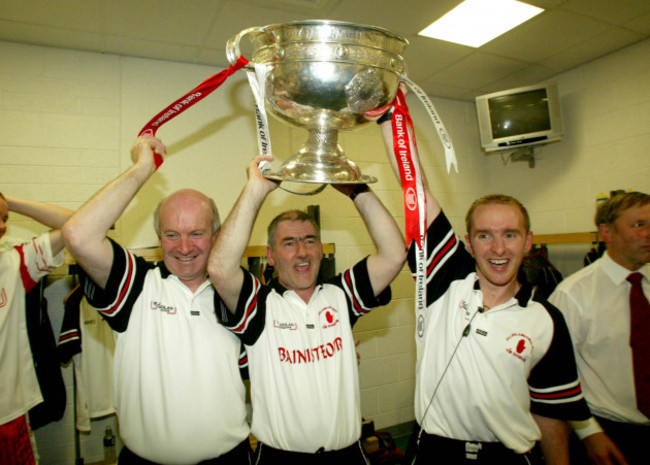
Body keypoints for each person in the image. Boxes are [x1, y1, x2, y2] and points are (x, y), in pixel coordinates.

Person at [378, 89, 595, 464]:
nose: (498, 248)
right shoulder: (445, 280)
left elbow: (551, 414)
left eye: (509, 235)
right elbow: (416, 189)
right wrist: (386, 116)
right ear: (468, 243)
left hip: (510, 456)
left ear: (528, 242)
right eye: (485, 236)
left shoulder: (546, 318)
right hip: (434, 453)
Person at [61, 135, 251, 465]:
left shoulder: (237, 293)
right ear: (159, 238)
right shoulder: (136, 286)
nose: (184, 247)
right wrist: (142, 168)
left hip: (230, 459)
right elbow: (78, 235)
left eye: (197, 233)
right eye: (171, 234)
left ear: (217, 235)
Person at [207, 154, 406, 464]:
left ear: (321, 248)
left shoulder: (342, 295)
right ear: (271, 256)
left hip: (349, 455)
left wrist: (358, 191)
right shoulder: (258, 304)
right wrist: (255, 189)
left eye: (310, 240)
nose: (302, 252)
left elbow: (394, 255)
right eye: (289, 243)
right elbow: (219, 268)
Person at [549, 191, 650, 465]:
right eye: (639, 225)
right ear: (606, 232)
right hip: (610, 434)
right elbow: (553, 373)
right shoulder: (573, 295)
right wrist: (588, 432)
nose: (649, 233)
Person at [0, 194, 73, 465]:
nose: (2, 226)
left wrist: (10, 201)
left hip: (10, 417)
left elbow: (76, 224)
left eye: (5, 218)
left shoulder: (12, 264)